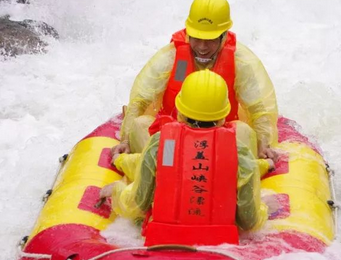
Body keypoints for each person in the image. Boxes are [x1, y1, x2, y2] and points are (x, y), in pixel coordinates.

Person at [101, 70, 271, 246]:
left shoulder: (165, 145)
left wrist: (116, 191)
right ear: (223, 116)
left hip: (163, 243)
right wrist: (264, 208)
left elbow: (138, 203)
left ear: (180, 112)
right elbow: (248, 221)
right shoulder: (240, 152)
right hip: (222, 247)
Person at [113, 0, 279, 161]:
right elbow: (139, 101)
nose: (202, 47)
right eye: (196, 38)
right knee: (141, 124)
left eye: (210, 40)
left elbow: (258, 109)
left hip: (221, 137)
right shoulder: (171, 58)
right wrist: (126, 140)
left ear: (224, 35)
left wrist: (264, 144)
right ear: (188, 32)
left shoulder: (240, 61)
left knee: (243, 130)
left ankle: (231, 174)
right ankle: (162, 170)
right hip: (172, 137)